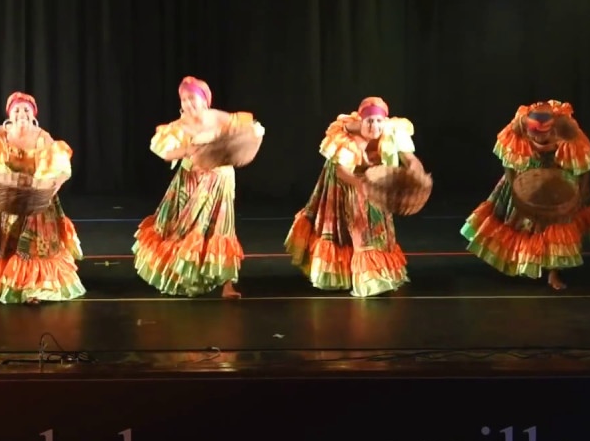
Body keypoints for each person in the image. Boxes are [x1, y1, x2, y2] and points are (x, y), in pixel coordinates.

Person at [133, 76, 263, 299]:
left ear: (204, 100)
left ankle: (227, 285)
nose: (188, 103)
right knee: (181, 230)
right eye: (184, 99)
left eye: (192, 98)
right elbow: (165, 153)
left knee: (221, 230)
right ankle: (181, 277)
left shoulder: (219, 117)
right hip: (189, 182)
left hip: (218, 182)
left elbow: (248, 131)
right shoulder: (180, 125)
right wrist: (188, 150)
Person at [284, 96, 423, 297]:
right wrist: (364, 185)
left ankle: (376, 275)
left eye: (378, 121)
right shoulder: (346, 136)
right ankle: (352, 275)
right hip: (345, 182)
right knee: (351, 227)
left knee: (374, 228)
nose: (374, 126)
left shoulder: (393, 131)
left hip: (372, 181)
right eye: (369, 121)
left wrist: (417, 172)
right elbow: (342, 171)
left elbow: (410, 159)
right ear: (361, 120)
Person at [0, 92, 84, 304]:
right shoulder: (2, 132)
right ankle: (7, 282)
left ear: (33, 113)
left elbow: (60, 166)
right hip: (8, 197)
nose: (21, 114)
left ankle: (32, 288)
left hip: (35, 201)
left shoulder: (42, 136)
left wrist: (54, 186)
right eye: (17, 110)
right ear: (10, 113)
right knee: (7, 245)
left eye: (26, 109)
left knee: (30, 248)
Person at [460, 100, 590, 290]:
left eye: (545, 136)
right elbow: (509, 164)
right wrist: (515, 191)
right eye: (534, 135)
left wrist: (581, 192)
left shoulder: (567, 131)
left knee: (556, 227)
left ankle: (553, 272)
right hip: (525, 178)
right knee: (523, 226)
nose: (540, 140)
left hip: (557, 180)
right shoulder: (518, 129)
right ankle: (524, 263)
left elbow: (584, 167)